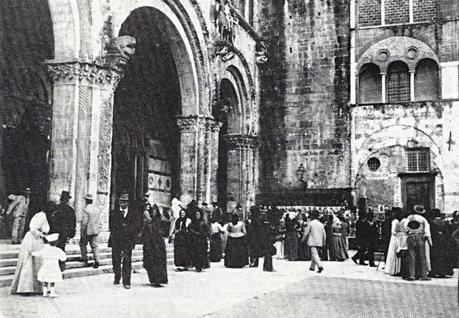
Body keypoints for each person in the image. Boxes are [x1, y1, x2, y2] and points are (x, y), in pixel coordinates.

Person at [10, 206, 50, 294]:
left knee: (35, 262)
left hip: (36, 240)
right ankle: (25, 287)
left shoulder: (42, 216)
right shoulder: (41, 216)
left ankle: (34, 287)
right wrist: (42, 235)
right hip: (33, 239)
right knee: (29, 261)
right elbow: (33, 229)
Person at [109, 193, 142, 289]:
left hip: (128, 240)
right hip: (116, 240)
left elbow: (136, 227)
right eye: (121, 201)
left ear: (128, 203)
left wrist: (133, 237)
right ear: (119, 202)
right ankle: (117, 276)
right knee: (116, 259)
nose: (123, 204)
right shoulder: (113, 213)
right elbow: (112, 227)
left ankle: (127, 281)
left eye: (125, 202)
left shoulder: (133, 214)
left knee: (127, 260)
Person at [32, 233, 66, 297]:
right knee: (52, 279)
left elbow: (38, 253)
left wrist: (32, 253)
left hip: (46, 266)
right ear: (56, 243)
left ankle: (44, 293)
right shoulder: (58, 250)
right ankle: (52, 292)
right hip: (54, 266)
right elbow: (63, 258)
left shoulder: (45, 249)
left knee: (45, 279)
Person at [402, 205, 432, 281]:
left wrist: (408, 232)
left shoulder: (409, 218)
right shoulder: (423, 219)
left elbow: (404, 227)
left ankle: (412, 275)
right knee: (422, 256)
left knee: (411, 256)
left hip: (411, 236)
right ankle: (423, 275)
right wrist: (430, 242)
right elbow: (427, 231)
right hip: (420, 237)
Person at [142, 204, 168, 287]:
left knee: (158, 263)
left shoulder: (160, 222)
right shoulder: (149, 222)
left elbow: (164, 232)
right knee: (150, 262)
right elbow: (145, 233)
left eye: (155, 211)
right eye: (152, 211)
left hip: (159, 246)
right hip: (150, 245)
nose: (153, 213)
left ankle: (159, 280)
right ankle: (153, 279)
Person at [49, 191, 76, 271]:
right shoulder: (70, 210)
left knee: (54, 247)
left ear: (61, 199)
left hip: (55, 231)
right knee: (62, 248)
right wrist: (71, 233)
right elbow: (72, 223)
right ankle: (61, 265)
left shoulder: (56, 208)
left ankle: (55, 264)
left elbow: (51, 220)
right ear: (67, 200)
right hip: (64, 232)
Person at [79, 194, 101, 269]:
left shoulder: (85, 209)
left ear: (86, 201)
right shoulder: (97, 209)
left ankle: (84, 258)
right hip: (95, 229)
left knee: (82, 243)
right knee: (95, 246)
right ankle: (97, 260)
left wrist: (82, 232)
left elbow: (84, 222)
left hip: (87, 230)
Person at [429, 208, 452, 278]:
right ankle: (444, 272)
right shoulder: (444, 222)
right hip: (444, 241)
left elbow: (432, 233)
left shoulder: (432, 223)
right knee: (443, 256)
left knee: (435, 256)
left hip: (436, 241)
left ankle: (435, 271)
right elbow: (448, 233)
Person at [384, 208, 403, 275]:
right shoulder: (396, 221)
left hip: (389, 236)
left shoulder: (389, 219)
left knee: (390, 251)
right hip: (395, 237)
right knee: (394, 251)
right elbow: (394, 231)